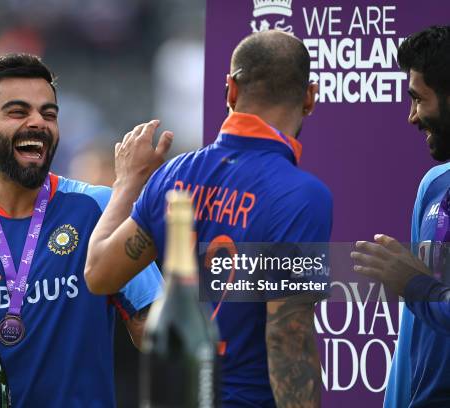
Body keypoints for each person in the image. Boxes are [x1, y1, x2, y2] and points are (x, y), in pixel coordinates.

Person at [85, 30, 331, 408]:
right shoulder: (302, 196)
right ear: (310, 98)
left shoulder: (172, 176)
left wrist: (127, 182)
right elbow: (288, 340)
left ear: (230, 90)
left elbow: (99, 272)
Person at [0, 53, 163, 408]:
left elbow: (155, 329)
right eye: (18, 112)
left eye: (49, 113)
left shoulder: (98, 208)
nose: (38, 122)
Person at [350, 25, 450, 407]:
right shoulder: (434, 186)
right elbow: (413, 328)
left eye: (418, 99)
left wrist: (415, 285)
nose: (411, 117)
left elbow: (418, 290)